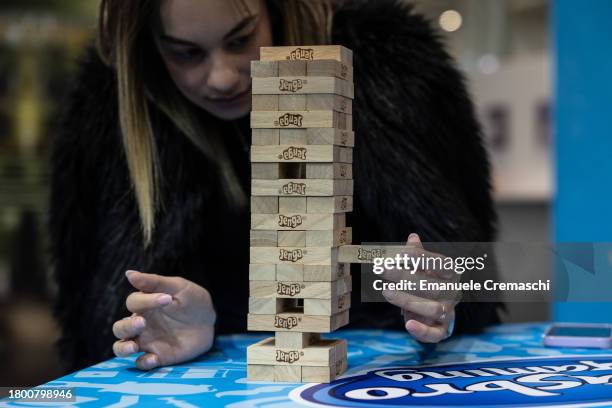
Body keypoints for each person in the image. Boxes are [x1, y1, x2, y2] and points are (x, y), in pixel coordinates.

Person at [49, 0, 501, 372]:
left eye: (241, 39)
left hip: (382, 376)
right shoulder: (110, 124)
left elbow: (474, 272)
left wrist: (444, 294)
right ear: (149, 47)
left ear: (277, 10)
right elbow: (92, 326)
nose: (221, 77)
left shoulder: (393, 74)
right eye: (186, 53)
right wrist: (183, 330)